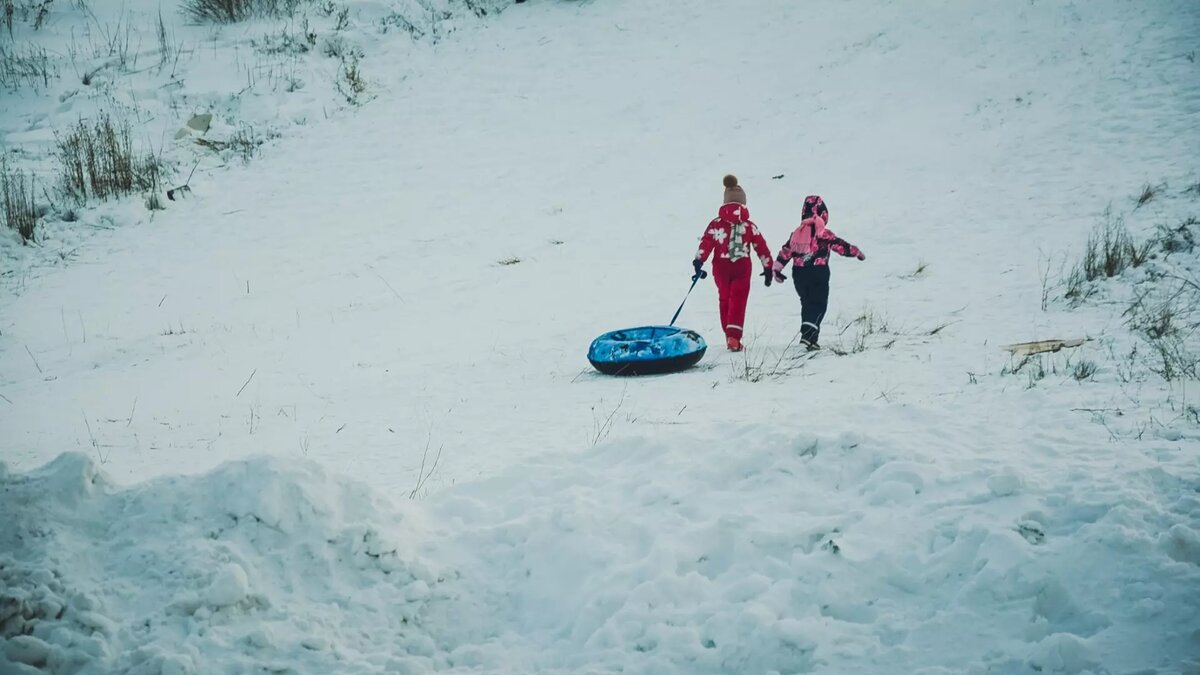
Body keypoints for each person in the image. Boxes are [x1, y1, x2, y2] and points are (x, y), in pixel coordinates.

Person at [771, 195, 866, 351]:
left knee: (807, 304)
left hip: (799, 275)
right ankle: (808, 335)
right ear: (824, 214)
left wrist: (777, 268)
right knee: (818, 304)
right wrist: (857, 252)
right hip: (818, 272)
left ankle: (810, 339)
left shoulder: (797, 233)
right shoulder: (823, 233)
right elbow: (840, 246)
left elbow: (786, 251)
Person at [692, 175, 774, 352]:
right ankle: (733, 337)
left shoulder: (715, 224)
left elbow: (706, 243)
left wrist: (699, 260)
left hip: (720, 267)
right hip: (742, 266)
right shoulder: (749, 226)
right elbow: (761, 247)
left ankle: (728, 335)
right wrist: (768, 267)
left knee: (725, 299)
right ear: (743, 204)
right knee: (738, 299)